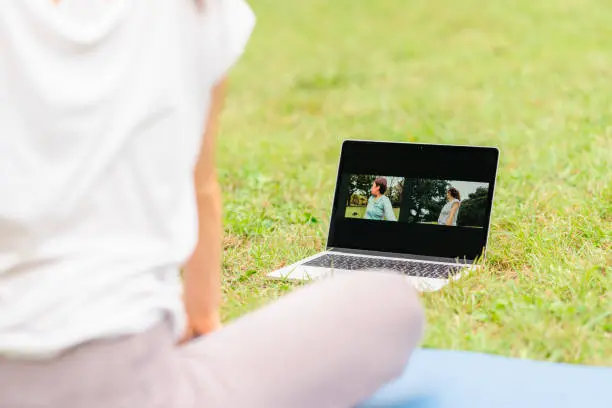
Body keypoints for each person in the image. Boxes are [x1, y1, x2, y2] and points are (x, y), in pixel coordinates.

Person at [0, 1, 425, 407]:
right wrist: (201, 320)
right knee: (388, 299)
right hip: (130, 383)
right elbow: (199, 184)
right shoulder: (194, 9)